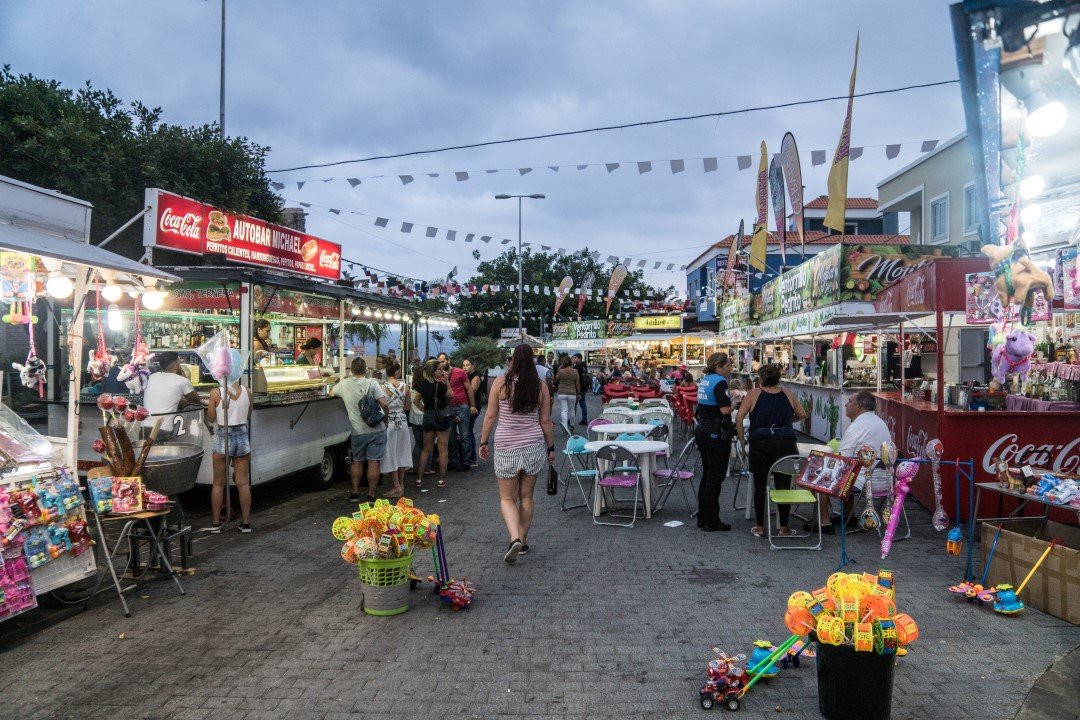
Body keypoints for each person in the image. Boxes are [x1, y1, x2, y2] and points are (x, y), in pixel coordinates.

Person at [478, 344, 554, 564]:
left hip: (506, 446)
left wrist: (483, 441)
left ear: (512, 360)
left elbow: (490, 416)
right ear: (532, 361)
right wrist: (551, 448)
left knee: (507, 498)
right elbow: (546, 421)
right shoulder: (540, 386)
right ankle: (523, 540)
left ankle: (514, 538)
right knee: (527, 497)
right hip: (533, 445)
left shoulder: (500, 383)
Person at [735, 363, 808, 538]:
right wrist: (789, 421)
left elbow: (739, 417)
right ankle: (783, 528)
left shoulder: (753, 394)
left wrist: (743, 441)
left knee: (760, 485)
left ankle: (760, 527)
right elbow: (803, 414)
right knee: (784, 486)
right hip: (786, 445)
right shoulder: (787, 393)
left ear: (761, 378)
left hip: (761, 445)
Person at [807, 390, 893, 534]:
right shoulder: (879, 422)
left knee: (817, 472)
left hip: (867, 481)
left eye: (850, 402)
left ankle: (824, 522)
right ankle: (848, 516)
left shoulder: (857, 427)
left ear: (859, 406)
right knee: (849, 467)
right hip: (885, 480)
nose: (846, 405)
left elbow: (843, 460)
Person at [331, 357, 389, 503]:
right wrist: (386, 419)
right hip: (376, 429)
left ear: (351, 370)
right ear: (365, 370)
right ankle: (371, 495)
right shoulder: (372, 383)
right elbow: (384, 403)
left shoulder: (344, 384)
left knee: (357, 461)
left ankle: (355, 493)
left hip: (357, 430)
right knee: (374, 462)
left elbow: (331, 393)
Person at [694, 352, 736, 531]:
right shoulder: (720, 382)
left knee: (707, 475)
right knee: (715, 477)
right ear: (718, 367)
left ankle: (702, 517)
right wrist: (736, 403)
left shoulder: (705, 379)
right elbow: (725, 410)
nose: (730, 369)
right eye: (727, 366)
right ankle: (711, 520)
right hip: (715, 431)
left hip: (702, 429)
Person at [207, 376, 253, 532]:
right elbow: (248, 416)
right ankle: (246, 523)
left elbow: (211, 417)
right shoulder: (247, 391)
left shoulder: (216, 393)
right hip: (242, 437)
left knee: (218, 483)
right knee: (243, 483)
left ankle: (215, 523)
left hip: (223, 437)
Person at [142, 351, 203, 434]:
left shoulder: (152, 377)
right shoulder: (182, 381)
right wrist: (184, 376)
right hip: (163, 430)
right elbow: (196, 402)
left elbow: (164, 398)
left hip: (144, 429)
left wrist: (181, 401)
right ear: (175, 365)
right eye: (179, 363)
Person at [415, 359, 452, 488]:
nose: (442, 371)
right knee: (443, 450)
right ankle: (441, 480)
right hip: (441, 417)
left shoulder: (422, 384)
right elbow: (451, 395)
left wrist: (425, 410)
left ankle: (418, 479)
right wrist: (446, 381)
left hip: (428, 416)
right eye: (440, 369)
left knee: (426, 449)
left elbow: (416, 401)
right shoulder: (441, 385)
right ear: (434, 371)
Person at [379, 360, 412, 500]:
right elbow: (407, 407)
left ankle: (396, 485)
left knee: (391, 452)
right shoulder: (406, 387)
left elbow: (383, 406)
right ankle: (401, 485)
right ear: (397, 371)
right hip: (402, 421)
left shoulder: (382, 387)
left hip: (390, 421)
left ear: (386, 372)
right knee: (402, 451)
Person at [445, 358, 476, 471]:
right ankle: (454, 461)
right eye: (439, 361)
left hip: (462, 406)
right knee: (451, 436)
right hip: (449, 408)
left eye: (443, 361)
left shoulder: (459, 372)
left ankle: (466, 461)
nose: (441, 363)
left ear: (448, 361)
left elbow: (469, 389)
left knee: (464, 435)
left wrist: (472, 405)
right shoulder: (439, 375)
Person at [463, 358, 487, 467]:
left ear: (473, 366)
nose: (465, 367)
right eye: (463, 365)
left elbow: (471, 391)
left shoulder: (476, 376)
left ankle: (473, 458)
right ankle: (469, 457)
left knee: (468, 432)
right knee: (467, 432)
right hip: (467, 407)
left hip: (473, 407)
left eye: (467, 365)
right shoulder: (466, 376)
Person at [553, 356, 580, 433]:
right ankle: (572, 426)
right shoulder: (575, 371)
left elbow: (556, 380)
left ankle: (565, 428)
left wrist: (559, 369)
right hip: (572, 393)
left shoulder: (560, 371)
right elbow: (577, 384)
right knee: (572, 410)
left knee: (564, 410)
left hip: (562, 393)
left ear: (563, 363)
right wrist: (578, 393)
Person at [572, 353, 589, 425]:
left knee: (574, 405)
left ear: (579, 358)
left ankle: (571, 421)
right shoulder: (584, 366)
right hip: (584, 387)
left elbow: (574, 378)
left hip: (578, 388)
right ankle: (584, 419)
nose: (573, 359)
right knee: (583, 404)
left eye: (575, 357)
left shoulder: (577, 367)